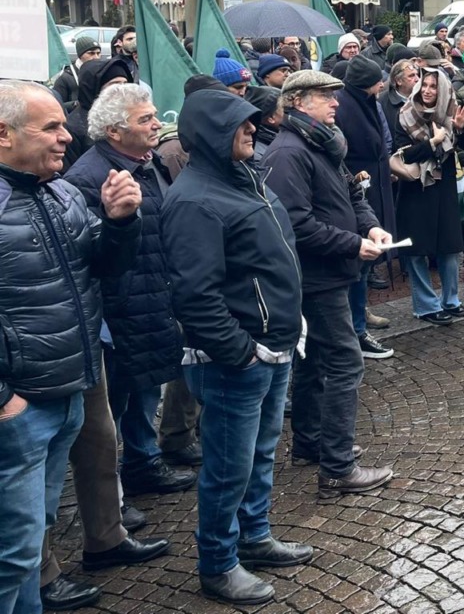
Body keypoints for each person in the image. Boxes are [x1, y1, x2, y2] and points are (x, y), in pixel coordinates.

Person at [160, 89, 313, 605]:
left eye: (252, 122)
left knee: (260, 455)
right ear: (211, 134)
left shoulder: (244, 179)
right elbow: (194, 294)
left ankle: (255, 536)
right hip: (237, 361)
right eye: (240, 124)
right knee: (227, 468)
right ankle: (218, 564)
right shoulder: (195, 198)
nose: (252, 128)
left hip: (273, 347)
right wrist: (239, 351)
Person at [0, 81, 146, 614]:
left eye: (65, 124)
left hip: (69, 387)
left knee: (35, 529)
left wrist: (119, 222)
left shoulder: (60, 191)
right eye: (52, 127)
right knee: (12, 555)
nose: (68, 136)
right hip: (20, 406)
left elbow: (103, 267)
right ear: (3, 134)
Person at [261, 71, 396, 501]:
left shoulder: (321, 141)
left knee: (317, 360)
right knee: (344, 362)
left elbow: (351, 196)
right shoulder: (288, 152)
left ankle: (311, 443)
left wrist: (371, 228)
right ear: (299, 102)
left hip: (331, 271)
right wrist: (353, 244)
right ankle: (337, 467)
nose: (335, 102)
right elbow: (296, 224)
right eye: (325, 96)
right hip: (315, 276)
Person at [63, 86, 193, 498]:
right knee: (116, 399)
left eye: (155, 115)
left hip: (151, 291)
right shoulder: (87, 177)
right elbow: (91, 253)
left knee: (145, 384)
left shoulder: (146, 163)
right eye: (145, 119)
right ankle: (116, 485)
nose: (158, 123)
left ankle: (143, 461)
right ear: (115, 131)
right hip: (118, 304)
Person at [391, 68, 464, 321]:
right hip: (415, 189)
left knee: (449, 247)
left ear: (443, 90)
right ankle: (426, 305)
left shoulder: (451, 111)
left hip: (444, 187)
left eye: (433, 86)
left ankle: (450, 299)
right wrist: (433, 142)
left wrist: (458, 129)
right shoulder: (405, 114)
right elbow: (401, 155)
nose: (427, 90)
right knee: (417, 251)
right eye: (424, 84)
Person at [333, 56, 396, 357]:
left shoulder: (367, 102)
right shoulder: (345, 107)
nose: (382, 84)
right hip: (358, 193)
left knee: (366, 263)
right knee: (357, 265)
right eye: (376, 81)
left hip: (373, 191)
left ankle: (358, 322)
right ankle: (355, 329)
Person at [63, 57, 133, 169]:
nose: (122, 90)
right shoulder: (73, 127)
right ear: (95, 88)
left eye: (125, 84)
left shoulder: (128, 117)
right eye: (115, 84)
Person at [53, 36, 102, 108]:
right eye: (91, 53)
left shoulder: (103, 74)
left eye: (98, 53)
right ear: (80, 55)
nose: (96, 57)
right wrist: (75, 104)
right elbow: (56, 106)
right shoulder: (65, 78)